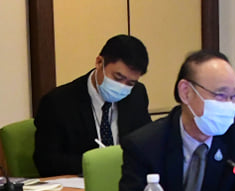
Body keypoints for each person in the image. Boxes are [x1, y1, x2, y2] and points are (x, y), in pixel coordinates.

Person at [115, 50, 235, 191]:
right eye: (220, 95)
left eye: (234, 97)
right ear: (186, 92)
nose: (228, 106)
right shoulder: (144, 144)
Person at [33, 33, 152, 178]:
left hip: (126, 182)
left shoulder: (137, 95)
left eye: (130, 83)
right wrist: (98, 165)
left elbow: (146, 144)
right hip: (82, 185)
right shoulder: (58, 102)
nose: (122, 86)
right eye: (118, 77)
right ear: (99, 62)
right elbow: (46, 162)